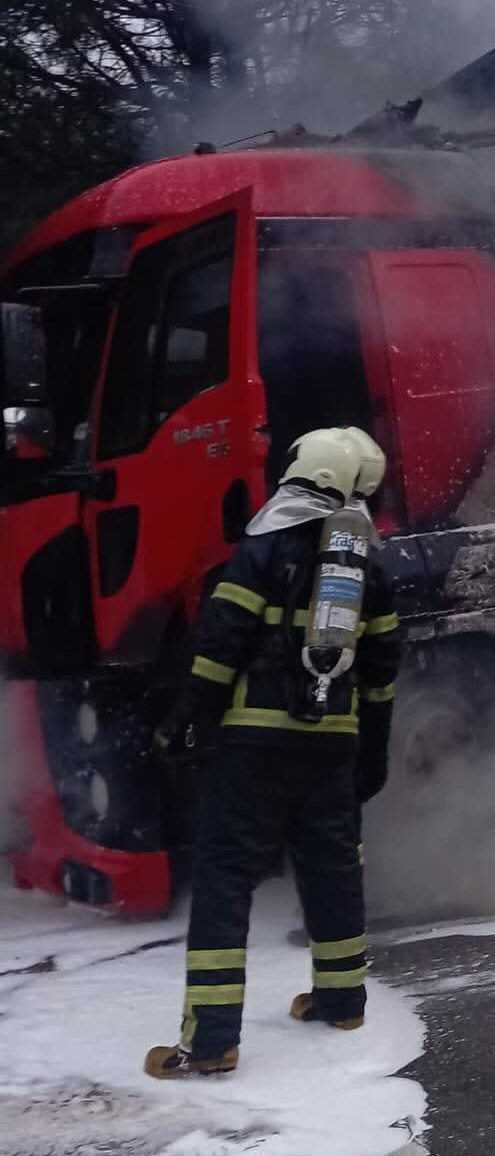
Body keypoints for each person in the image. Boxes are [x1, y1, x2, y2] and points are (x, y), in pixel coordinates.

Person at [145, 427, 400, 1078]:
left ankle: (210, 1042)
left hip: (256, 745)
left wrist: (187, 723)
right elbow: (380, 675)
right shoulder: (369, 566)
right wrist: (371, 751)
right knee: (333, 866)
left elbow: (220, 646)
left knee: (226, 874)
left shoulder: (263, 550)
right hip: (333, 745)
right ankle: (343, 1001)